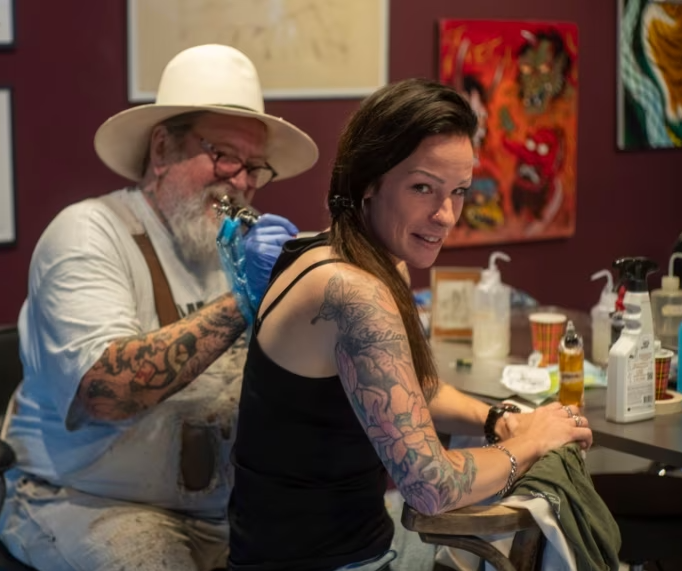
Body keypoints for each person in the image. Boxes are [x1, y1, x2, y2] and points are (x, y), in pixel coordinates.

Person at [227, 78, 594, 571]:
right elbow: (431, 486)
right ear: (368, 182)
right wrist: (531, 440)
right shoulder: (352, 291)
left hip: (353, 543)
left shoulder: (356, 254)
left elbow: (416, 391)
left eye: (459, 191)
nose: (445, 215)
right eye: (423, 187)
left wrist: (498, 418)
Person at [0, 44, 319, 571]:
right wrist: (243, 301)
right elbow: (106, 391)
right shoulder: (88, 234)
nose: (241, 181)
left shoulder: (232, 244)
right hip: (86, 500)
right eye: (224, 156)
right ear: (163, 148)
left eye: (255, 167)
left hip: (220, 506)